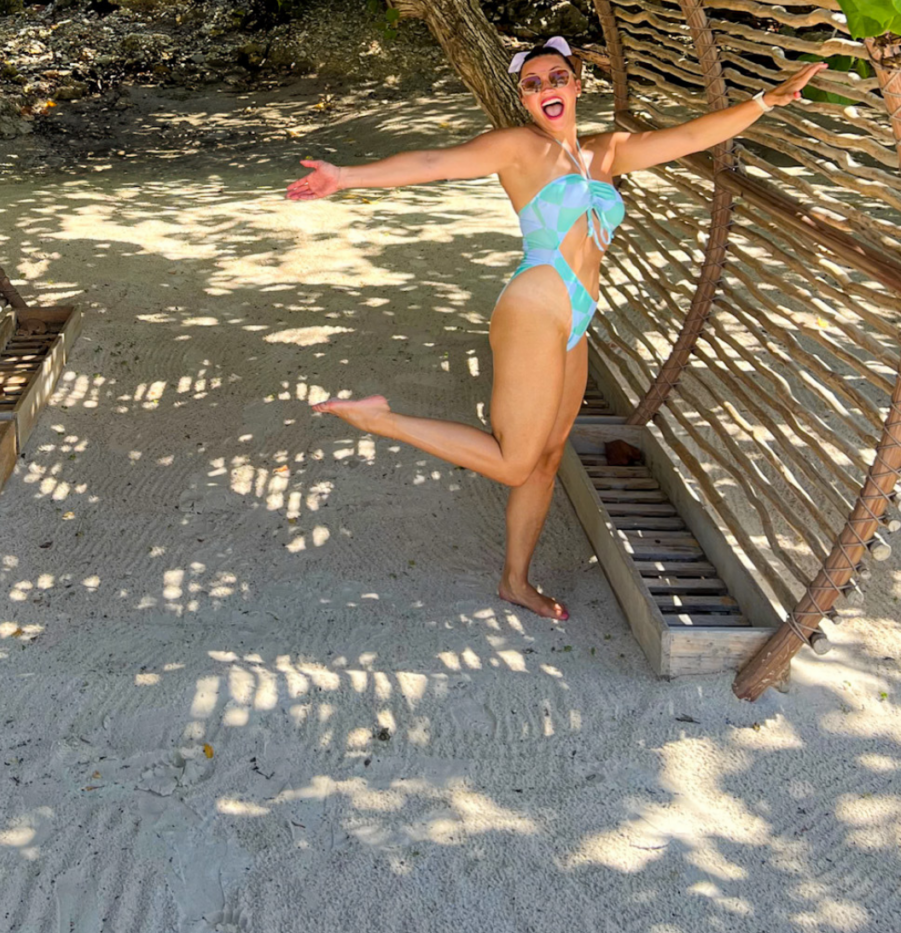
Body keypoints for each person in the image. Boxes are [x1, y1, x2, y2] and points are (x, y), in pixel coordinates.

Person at [283, 36, 825, 621]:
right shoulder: (519, 148)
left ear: (576, 85)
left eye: (556, 77)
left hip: (577, 317)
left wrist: (765, 102)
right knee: (515, 461)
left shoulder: (607, 152)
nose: (546, 89)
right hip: (536, 301)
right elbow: (434, 164)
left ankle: (515, 581)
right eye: (532, 83)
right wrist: (347, 176)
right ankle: (381, 418)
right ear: (523, 99)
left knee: (545, 460)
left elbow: (691, 136)